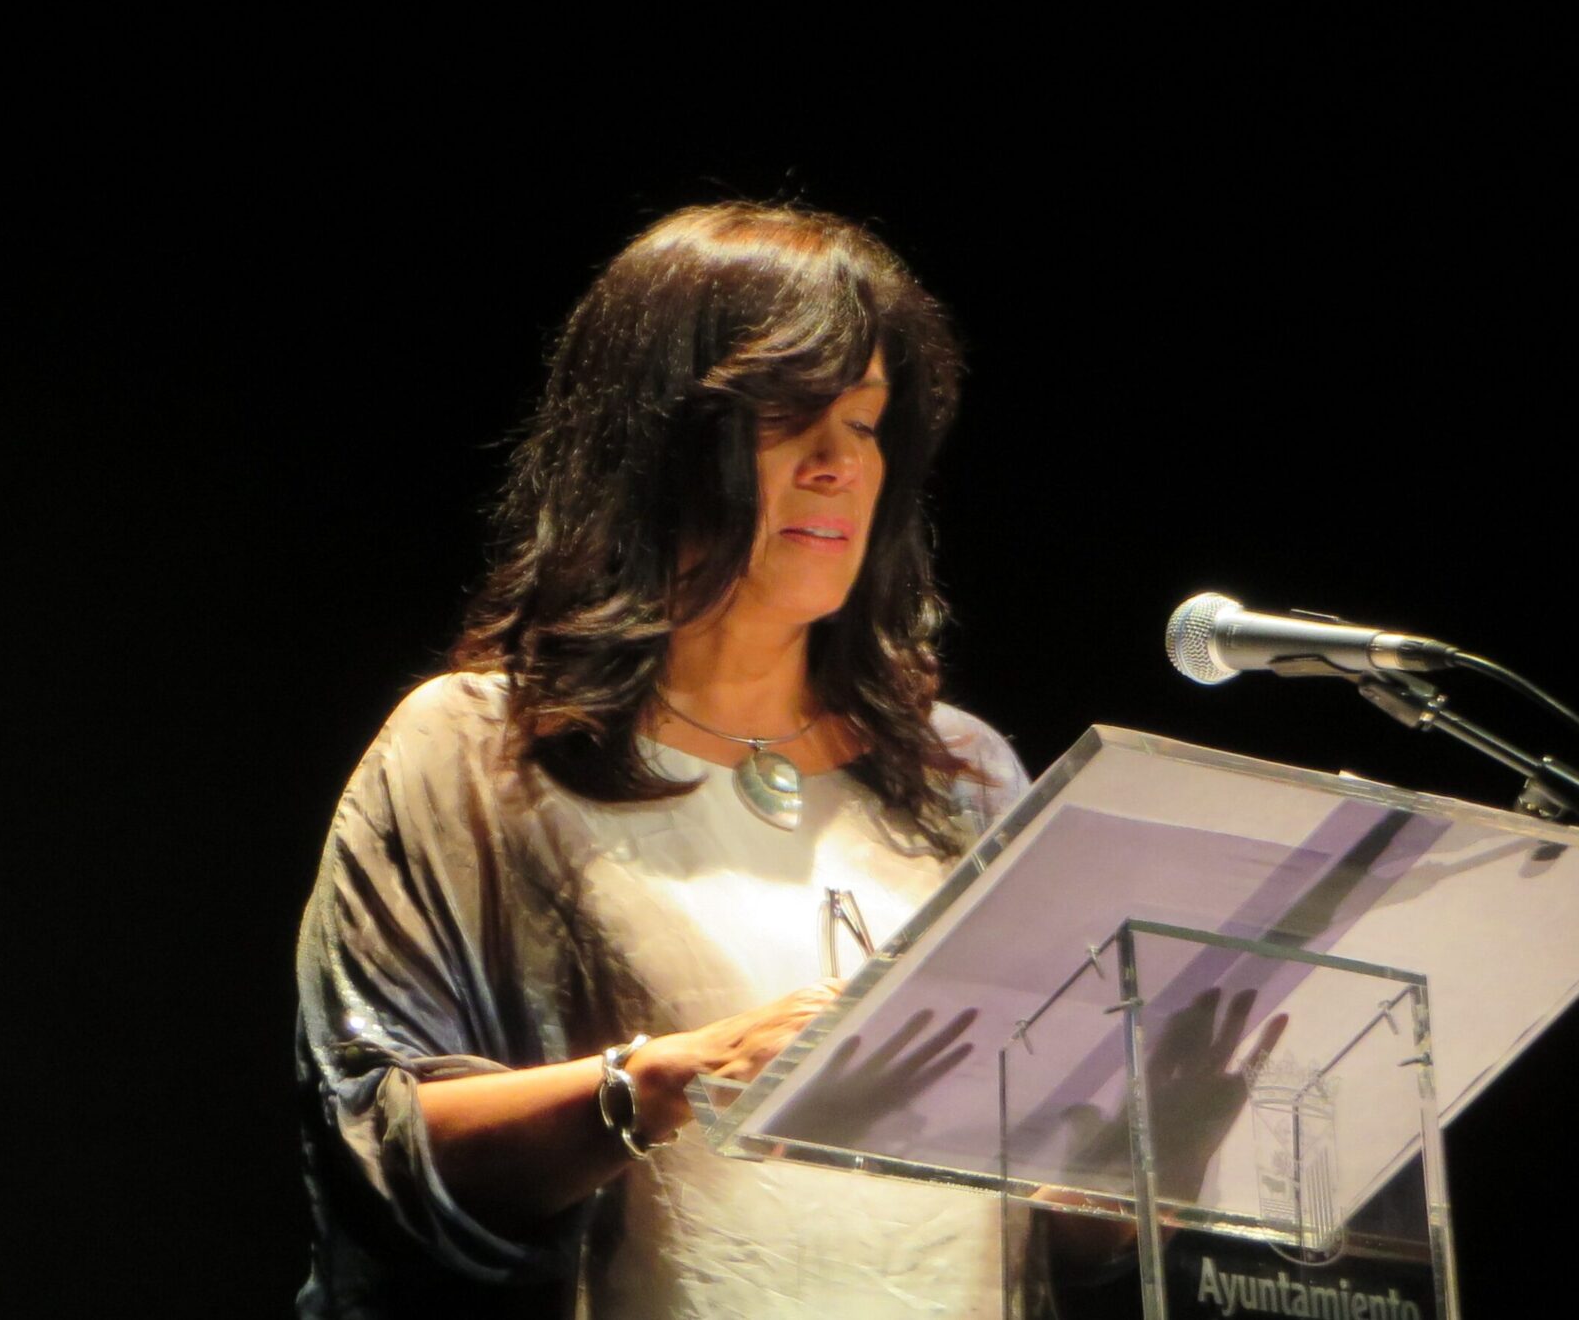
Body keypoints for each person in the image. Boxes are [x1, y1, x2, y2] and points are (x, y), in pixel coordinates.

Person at [294, 202, 1030, 1318]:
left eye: (869, 423)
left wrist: (1174, 1119)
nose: (841, 464)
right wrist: (665, 1079)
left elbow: (1060, 1186)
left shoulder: (960, 776)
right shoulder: (478, 755)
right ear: (657, 437)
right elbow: (375, 1140)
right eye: (790, 418)